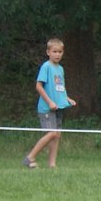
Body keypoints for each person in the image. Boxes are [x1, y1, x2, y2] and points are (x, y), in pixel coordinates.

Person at [25, 37, 74, 168]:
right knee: (51, 133)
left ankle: (52, 164)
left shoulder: (60, 69)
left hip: (58, 108)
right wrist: (50, 102)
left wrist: (67, 98)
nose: (57, 54)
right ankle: (30, 157)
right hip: (46, 108)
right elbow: (38, 86)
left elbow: (61, 87)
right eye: (54, 51)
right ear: (48, 52)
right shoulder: (46, 67)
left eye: (60, 52)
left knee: (57, 135)